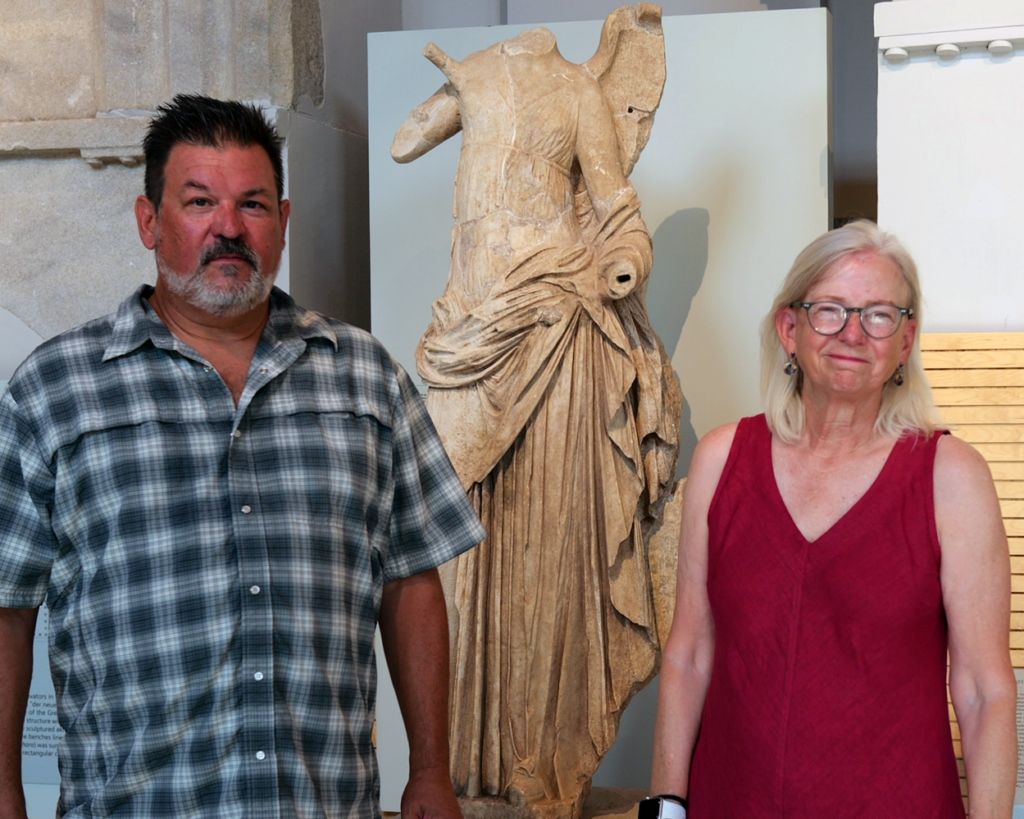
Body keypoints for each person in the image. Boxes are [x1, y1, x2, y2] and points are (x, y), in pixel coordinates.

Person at [0, 94, 485, 819]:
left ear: (283, 224)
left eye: (252, 204)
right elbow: (7, 606)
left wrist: (431, 769)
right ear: (148, 221)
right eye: (200, 201)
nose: (228, 227)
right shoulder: (55, 390)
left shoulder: (367, 378)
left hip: (323, 802)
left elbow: (412, 580)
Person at [391, 9, 679, 813]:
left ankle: (535, 757)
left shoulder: (578, 88)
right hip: (469, 334)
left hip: (558, 320)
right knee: (450, 554)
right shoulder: (478, 74)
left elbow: (617, 204)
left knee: (551, 545)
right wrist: (459, 85)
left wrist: (623, 260)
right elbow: (403, 142)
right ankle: (452, 763)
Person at [650, 221, 1016, 818]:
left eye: (879, 314)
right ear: (789, 329)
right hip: (731, 801)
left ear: (906, 340)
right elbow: (689, 654)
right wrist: (664, 805)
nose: (853, 333)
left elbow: (982, 691)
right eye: (830, 311)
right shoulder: (722, 459)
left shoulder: (951, 477)